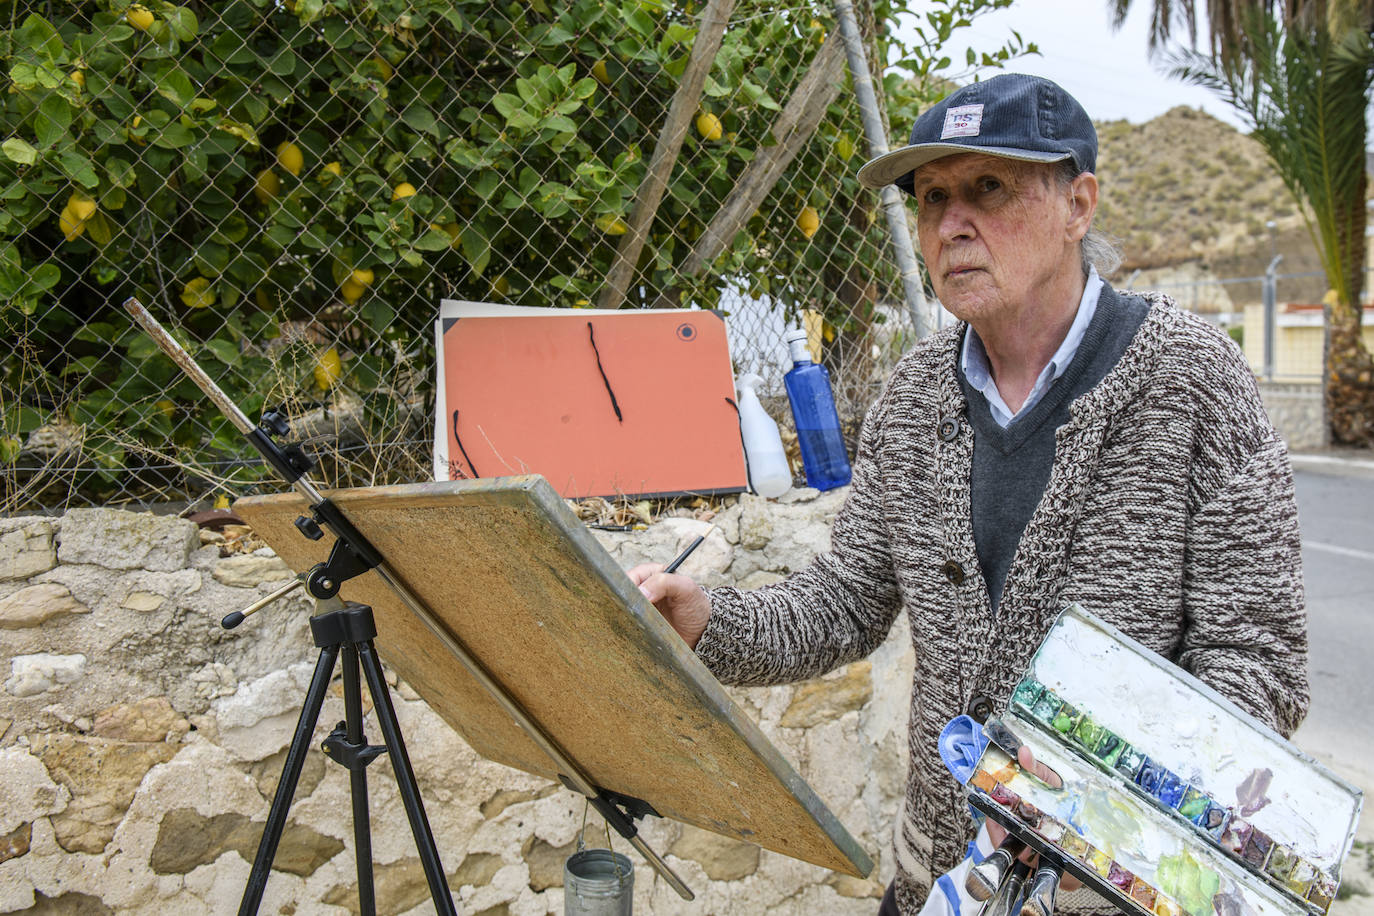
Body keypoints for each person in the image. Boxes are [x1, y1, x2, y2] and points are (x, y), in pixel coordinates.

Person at [629, 73, 1309, 916]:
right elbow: (845, 604)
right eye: (933, 197)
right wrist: (705, 620)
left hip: (1110, 899)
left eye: (990, 187)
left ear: (1079, 204)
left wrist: (1086, 808)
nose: (953, 222)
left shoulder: (1194, 380)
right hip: (934, 886)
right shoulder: (914, 398)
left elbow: (1261, 667)